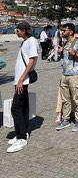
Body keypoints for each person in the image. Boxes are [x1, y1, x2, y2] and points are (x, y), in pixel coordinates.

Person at [7, 21, 38, 153]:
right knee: (23, 106)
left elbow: (31, 61)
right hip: (20, 80)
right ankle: (23, 132)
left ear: (24, 30)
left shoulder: (31, 41)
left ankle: (21, 138)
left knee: (15, 108)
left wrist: (21, 79)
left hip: (23, 80)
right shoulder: (25, 41)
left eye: (18, 30)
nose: (16, 32)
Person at [56, 23, 78, 132]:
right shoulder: (65, 43)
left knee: (76, 98)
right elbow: (65, 58)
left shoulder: (77, 42)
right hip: (65, 74)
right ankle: (66, 119)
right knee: (65, 99)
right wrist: (60, 53)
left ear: (70, 31)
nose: (62, 32)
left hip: (75, 75)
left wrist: (74, 54)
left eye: (64, 30)